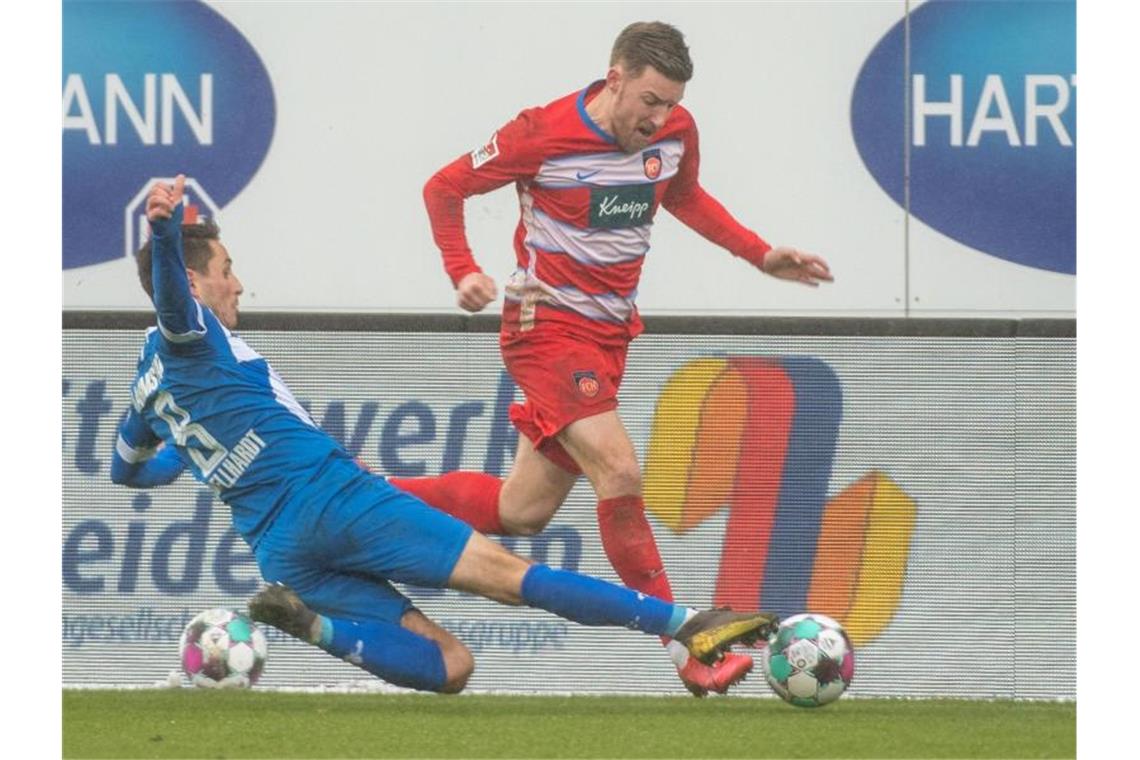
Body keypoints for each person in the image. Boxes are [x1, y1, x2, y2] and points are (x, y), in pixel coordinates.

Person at [109, 174, 779, 694]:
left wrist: (196, 459)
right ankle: (686, 624)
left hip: (280, 550)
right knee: (510, 577)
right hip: (334, 500)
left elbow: (128, 470)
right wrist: (166, 231)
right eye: (226, 268)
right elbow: (175, 304)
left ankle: (317, 628)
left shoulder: (149, 383)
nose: (239, 282)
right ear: (196, 281)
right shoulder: (191, 333)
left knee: (452, 665)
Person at [401, 21, 833, 697]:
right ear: (616, 78)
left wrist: (758, 253)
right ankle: (687, 645)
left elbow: (684, 196)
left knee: (522, 511)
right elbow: (443, 188)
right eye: (650, 101)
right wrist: (463, 270)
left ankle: (362, 496)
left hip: (607, 338)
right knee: (621, 470)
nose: (658, 118)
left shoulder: (676, 132)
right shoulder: (539, 134)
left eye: (671, 104)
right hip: (544, 330)